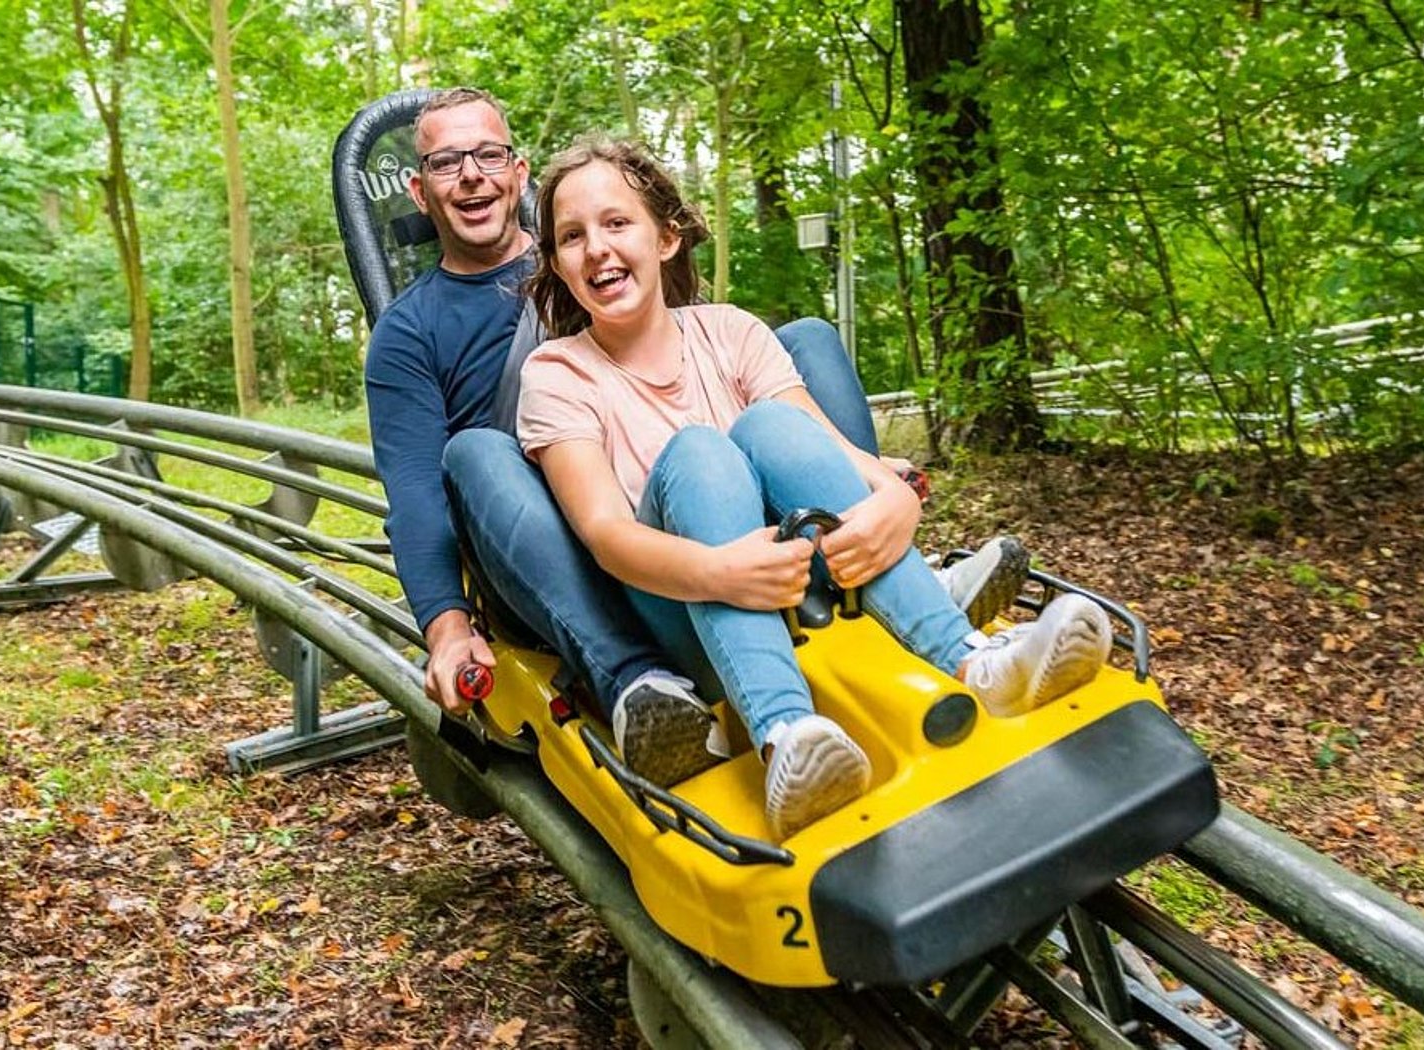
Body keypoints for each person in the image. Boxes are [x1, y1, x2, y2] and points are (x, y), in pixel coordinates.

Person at [363, 87, 1026, 788]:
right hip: (588, 538)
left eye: (488, 155)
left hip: (731, 500)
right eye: (446, 163)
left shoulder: (678, 306)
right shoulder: (439, 339)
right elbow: (417, 498)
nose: (471, 174)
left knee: (795, 348)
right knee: (485, 452)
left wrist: (886, 488)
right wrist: (447, 626)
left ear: (518, 172)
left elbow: (749, 396)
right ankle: (634, 676)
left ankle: (895, 575)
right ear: (419, 187)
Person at [516, 138, 1115, 839]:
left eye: (617, 224)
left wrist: (894, 495)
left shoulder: (731, 332)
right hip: (683, 605)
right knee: (701, 451)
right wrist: (717, 569)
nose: (596, 249)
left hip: (800, 584)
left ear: (667, 237)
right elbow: (606, 537)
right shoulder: (558, 374)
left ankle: (971, 659)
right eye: (572, 236)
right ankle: (788, 736)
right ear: (557, 262)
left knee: (768, 421)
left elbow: (829, 447)